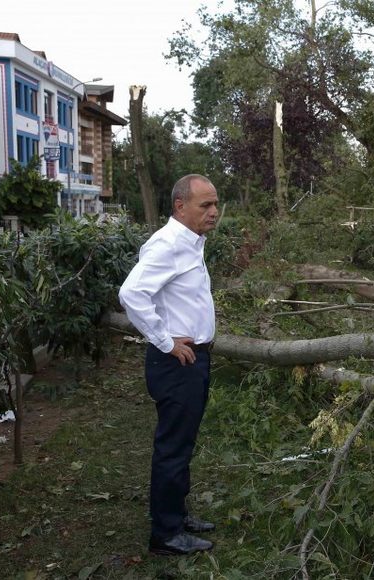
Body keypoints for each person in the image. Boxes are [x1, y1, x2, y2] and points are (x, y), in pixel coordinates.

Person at [118, 174, 220, 555]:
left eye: (215, 204)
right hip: (178, 363)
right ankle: (166, 534)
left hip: (193, 359)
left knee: (183, 442)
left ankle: (176, 515)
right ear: (180, 206)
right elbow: (131, 294)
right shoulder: (168, 244)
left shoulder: (191, 243)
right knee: (173, 447)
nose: (214, 212)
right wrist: (165, 341)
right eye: (204, 205)